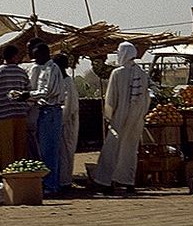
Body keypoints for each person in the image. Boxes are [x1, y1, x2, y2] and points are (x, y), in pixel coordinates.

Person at [93, 41, 151, 195]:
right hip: (137, 117)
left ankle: (106, 182)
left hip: (120, 116)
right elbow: (146, 98)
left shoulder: (117, 73)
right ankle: (128, 181)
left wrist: (108, 117)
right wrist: (141, 114)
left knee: (112, 149)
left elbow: (111, 98)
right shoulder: (142, 73)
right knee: (130, 149)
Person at [12, 42, 65, 196]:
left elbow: (47, 91)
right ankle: (48, 183)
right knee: (44, 150)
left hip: (52, 111)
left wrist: (28, 95)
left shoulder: (52, 69)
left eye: (36, 57)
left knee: (50, 150)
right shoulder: (42, 69)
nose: (35, 61)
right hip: (44, 111)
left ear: (44, 55)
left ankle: (51, 185)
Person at [0, 44, 30, 171]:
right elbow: (29, 93)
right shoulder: (22, 73)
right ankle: (21, 176)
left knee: (6, 149)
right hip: (21, 115)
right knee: (20, 148)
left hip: (3, 116)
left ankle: (8, 177)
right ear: (15, 56)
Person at [54, 53, 79, 191]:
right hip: (59, 122)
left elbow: (69, 107)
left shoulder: (67, 82)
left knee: (65, 151)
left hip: (66, 123)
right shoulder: (60, 81)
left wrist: (60, 121)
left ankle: (64, 181)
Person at [23, 36, 45, 161]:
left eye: (29, 49)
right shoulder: (51, 66)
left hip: (35, 114)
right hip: (46, 115)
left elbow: (32, 93)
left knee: (35, 151)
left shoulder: (36, 69)